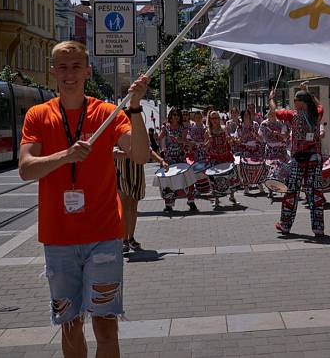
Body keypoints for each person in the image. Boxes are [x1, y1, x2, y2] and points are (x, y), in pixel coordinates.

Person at [18, 40, 151, 358]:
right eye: (62, 67)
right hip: (59, 237)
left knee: (106, 326)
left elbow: (141, 154)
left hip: (103, 235)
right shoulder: (38, 115)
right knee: (70, 324)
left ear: (88, 71)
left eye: (76, 66)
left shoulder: (106, 113)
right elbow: (25, 169)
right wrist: (66, 156)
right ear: (52, 72)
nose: (69, 74)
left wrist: (134, 107)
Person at [271, 83, 325, 237]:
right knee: (315, 192)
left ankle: (285, 225)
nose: (294, 102)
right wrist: (309, 93)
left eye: (295, 100)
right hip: (314, 157)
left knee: (292, 192)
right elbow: (320, 105)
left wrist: (272, 98)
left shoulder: (293, 115)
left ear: (299, 102)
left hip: (298, 159)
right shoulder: (316, 114)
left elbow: (274, 111)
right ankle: (318, 227)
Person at [114, 123, 167, 253]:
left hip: (137, 174)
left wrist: (161, 161)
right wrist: (133, 153)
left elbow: (148, 150)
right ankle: (124, 239)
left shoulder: (138, 135)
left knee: (133, 207)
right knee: (124, 207)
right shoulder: (116, 133)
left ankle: (131, 238)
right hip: (122, 174)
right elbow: (113, 153)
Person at [158, 107, 198, 213]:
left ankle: (191, 201)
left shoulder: (183, 127)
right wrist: (162, 145)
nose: (175, 117)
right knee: (167, 181)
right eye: (173, 115)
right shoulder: (166, 127)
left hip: (180, 156)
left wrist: (178, 139)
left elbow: (183, 140)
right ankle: (168, 204)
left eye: (177, 115)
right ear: (170, 116)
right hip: (169, 158)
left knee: (187, 178)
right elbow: (160, 138)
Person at [205, 110, 237, 207]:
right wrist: (209, 142)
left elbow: (230, 142)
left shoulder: (224, 128)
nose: (215, 120)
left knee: (230, 177)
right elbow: (205, 147)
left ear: (219, 119)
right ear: (210, 120)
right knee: (215, 179)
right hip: (214, 158)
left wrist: (230, 140)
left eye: (216, 118)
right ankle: (216, 199)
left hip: (225, 156)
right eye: (212, 118)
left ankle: (232, 196)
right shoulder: (208, 131)